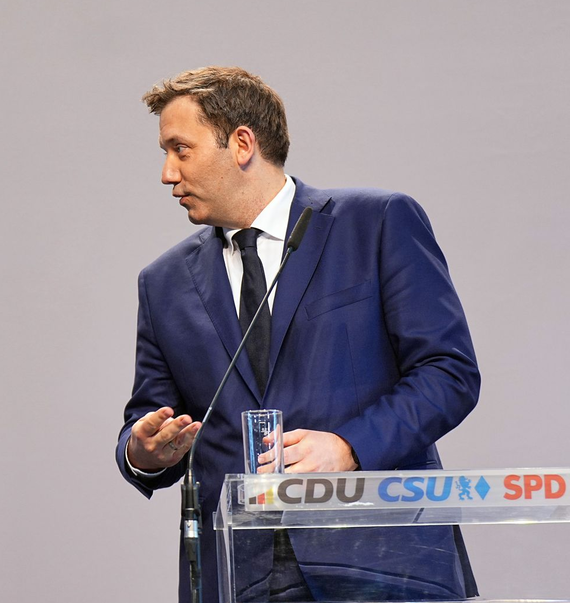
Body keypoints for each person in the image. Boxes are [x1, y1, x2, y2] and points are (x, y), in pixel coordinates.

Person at [115, 67, 479, 602]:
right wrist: (145, 452)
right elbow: (147, 419)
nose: (167, 173)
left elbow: (449, 373)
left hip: (379, 564)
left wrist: (350, 447)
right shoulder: (163, 284)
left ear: (242, 143)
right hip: (238, 573)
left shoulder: (375, 224)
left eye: (180, 149)